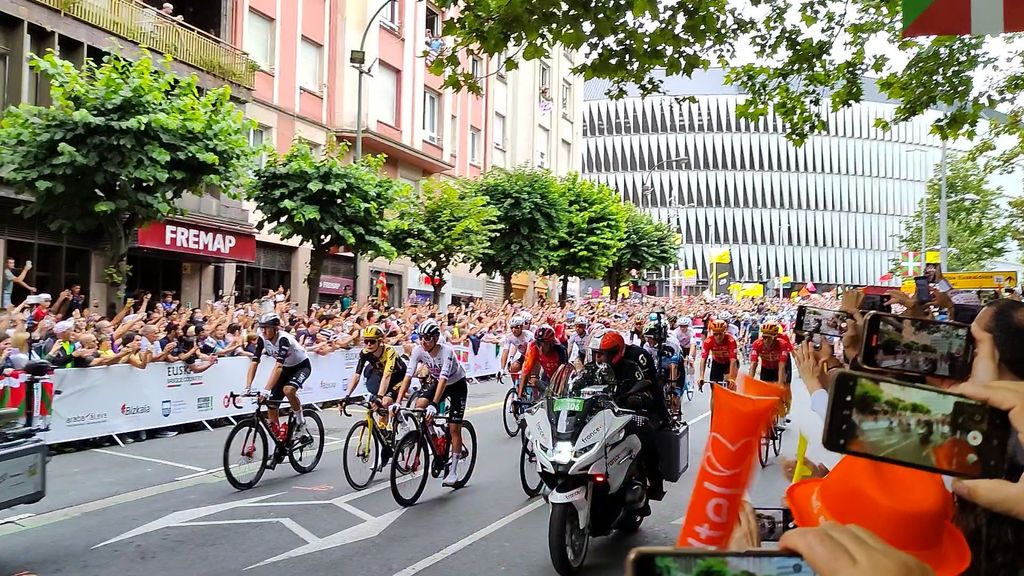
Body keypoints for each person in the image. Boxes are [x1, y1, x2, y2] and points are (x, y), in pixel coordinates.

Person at [594, 331, 669, 504]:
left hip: (640, 405)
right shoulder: (597, 365)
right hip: (610, 407)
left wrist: (636, 397)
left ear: (614, 352)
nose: (598, 358)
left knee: (646, 434)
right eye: (597, 353)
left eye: (602, 354)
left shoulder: (637, 358)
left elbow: (648, 383)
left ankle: (655, 482)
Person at [396, 319, 469, 487]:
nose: (423, 341)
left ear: (436, 338)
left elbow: (444, 379)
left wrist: (435, 404)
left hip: (456, 385)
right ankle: (435, 435)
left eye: (427, 338)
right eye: (421, 337)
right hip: (438, 382)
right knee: (419, 405)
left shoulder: (447, 351)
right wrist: (398, 402)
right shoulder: (418, 350)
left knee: (454, 428)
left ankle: (453, 471)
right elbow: (408, 375)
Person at [244, 312, 312, 443]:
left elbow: (278, 366)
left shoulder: (283, 339)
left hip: (301, 366)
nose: (263, 331)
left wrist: (266, 389)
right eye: (261, 328)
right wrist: (248, 386)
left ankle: (301, 422)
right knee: (272, 405)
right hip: (286, 368)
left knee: (288, 390)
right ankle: (279, 441)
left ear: (275, 328)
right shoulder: (261, 339)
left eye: (266, 328)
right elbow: (254, 362)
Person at [342, 325, 407, 415]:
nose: (368, 344)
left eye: (372, 341)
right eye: (366, 341)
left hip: (399, 378)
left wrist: (379, 397)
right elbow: (357, 375)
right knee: (379, 410)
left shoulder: (389, 351)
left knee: (385, 402)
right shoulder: (365, 353)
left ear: (380, 341)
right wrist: (347, 395)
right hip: (383, 377)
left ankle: (399, 420)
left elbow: (387, 375)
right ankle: (384, 427)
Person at [518, 325, 568, 400]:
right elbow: (526, 370)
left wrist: (559, 390)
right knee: (534, 381)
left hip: (559, 377)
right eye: (539, 343)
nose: (541, 347)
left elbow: (564, 372)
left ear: (551, 343)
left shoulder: (561, 350)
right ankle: (545, 395)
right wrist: (520, 395)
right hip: (547, 375)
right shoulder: (533, 347)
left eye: (544, 343)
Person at [697, 319, 738, 392]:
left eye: (720, 334)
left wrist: (731, 377)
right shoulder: (708, 341)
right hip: (717, 363)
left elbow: (733, 361)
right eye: (715, 334)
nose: (718, 337)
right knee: (715, 391)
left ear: (724, 332)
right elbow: (703, 359)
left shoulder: (731, 341)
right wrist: (701, 376)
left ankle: (731, 397)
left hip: (729, 364)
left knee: (730, 384)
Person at [748, 322, 790, 386]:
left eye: (769, 338)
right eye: (764, 337)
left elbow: (782, 366)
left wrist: (780, 385)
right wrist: (750, 382)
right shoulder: (757, 344)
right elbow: (753, 364)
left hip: (780, 367)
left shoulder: (782, 344)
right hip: (766, 367)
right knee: (765, 388)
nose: (766, 340)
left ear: (775, 338)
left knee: (784, 387)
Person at [498, 315, 532, 386]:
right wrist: (502, 369)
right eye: (512, 327)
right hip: (524, 356)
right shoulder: (509, 337)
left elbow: (531, 352)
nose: (514, 330)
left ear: (522, 327)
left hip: (533, 356)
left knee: (528, 375)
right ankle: (516, 386)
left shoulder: (528, 335)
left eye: (516, 327)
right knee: (513, 368)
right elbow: (505, 352)